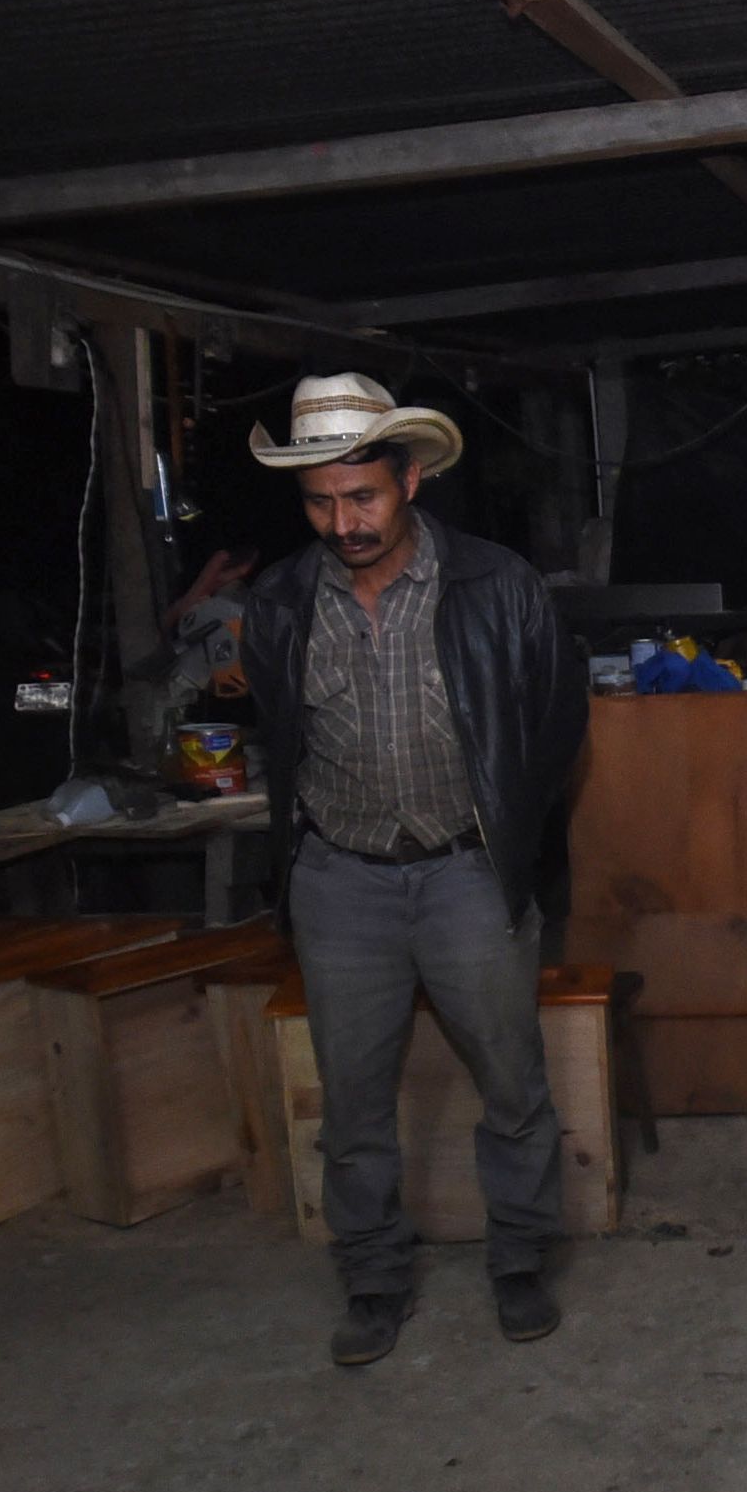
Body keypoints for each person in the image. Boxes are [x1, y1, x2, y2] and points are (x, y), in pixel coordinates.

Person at [239, 374, 587, 1367]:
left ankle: (520, 1260)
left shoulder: (496, 585)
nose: (342, 522)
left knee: (511, 1079)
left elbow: (558, 719)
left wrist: (512, 831)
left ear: (412, 479)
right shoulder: (278, 602)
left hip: (467, 871)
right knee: (350, 1099)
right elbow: (280, 734)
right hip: (338, 878)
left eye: (363, 498)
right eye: (319, 502)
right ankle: (375, 1279)